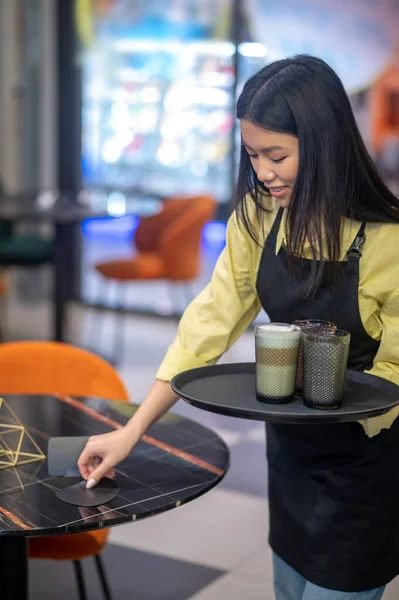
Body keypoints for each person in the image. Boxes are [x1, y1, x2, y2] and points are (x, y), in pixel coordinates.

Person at [78, 55, 399, 600]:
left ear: (324, 146)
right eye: (253, 155)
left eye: (278, 155)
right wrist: (132, 431)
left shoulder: (385, 238)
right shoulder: (257, 216)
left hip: (365, 466)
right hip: (291, 454)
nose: (263, 172)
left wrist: (329, 403)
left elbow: (393, 374)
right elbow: (210, 321)